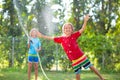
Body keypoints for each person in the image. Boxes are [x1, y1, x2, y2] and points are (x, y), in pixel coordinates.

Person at [37, 15, 104, 80]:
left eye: (69, 28)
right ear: (63, 30)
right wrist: (42, 36)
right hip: (74, 60)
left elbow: (82, 29)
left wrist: (85, 21)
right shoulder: (61, 39)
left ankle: (102, 78)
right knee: (77, 73)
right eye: (66, 28)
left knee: (91, 67)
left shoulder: (74, 35)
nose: (67, 29)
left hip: (81, 57)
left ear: (72, 30)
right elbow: (51, 38)